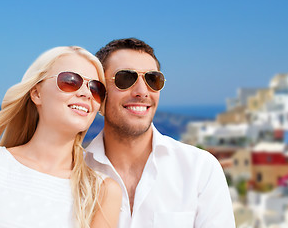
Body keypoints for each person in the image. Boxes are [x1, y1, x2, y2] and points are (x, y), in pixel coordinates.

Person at [0, 46, 122, 228]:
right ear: (36, 93)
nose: (86, 94)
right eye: (70, 81)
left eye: (96, 89)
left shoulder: (103, 191)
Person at [85, 38, 235, 227]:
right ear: (99, 91)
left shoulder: (200, 169)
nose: (142, 91)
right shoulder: (74, 174)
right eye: (125, 78)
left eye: (152, 79)